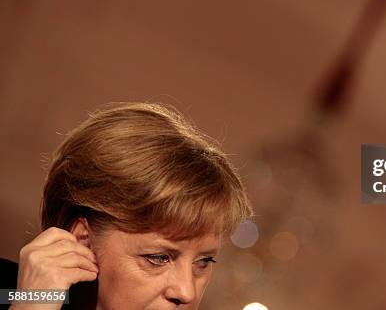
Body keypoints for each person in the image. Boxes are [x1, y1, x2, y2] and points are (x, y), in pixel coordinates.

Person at [0, 102, 252, 310]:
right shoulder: (11, 295)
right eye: (158, 258)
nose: (186, 292)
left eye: (204, 262)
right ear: (83, 242)